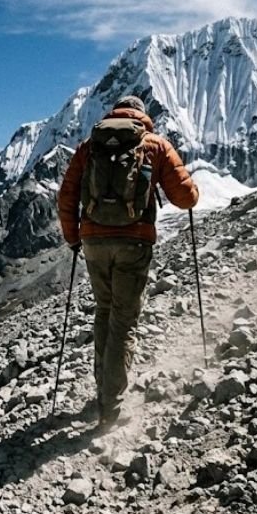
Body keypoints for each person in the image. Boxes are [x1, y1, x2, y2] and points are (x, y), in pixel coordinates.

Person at [57, 95, 199, 427]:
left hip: (93, 241)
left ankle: (102, 390)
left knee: (104, 311)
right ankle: (111, 407)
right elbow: (185, 198)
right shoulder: (155, 145)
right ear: (143, 116)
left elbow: (66, 195)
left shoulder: (89, 146)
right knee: (123, 320)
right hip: (134, 242)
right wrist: (193, 191)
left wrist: (73, 237)